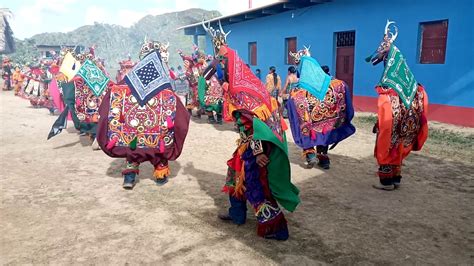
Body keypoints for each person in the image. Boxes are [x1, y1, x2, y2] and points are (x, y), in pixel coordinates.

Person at [202, 20, 300, 240]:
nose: (217, 73)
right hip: (248, 144)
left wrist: (258, 151)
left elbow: (255, 122)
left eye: (219, 68)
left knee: (257, 185)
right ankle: (236, 213)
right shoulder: (245, 86)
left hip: (256, 147)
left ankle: (277, 227)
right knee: (234, 175)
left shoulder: (242, 92)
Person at [96, 40, 190, 189]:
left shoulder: (123, 88)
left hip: (131, 137)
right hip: (156, 139)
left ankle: (130, 176)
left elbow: (110, 99)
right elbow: (181, 116)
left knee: (132, 150)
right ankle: (160, 174)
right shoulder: (165, 92)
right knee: (160, 149)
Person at [366, 20, 428, 190]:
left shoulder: (388, 93)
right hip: (406, 126)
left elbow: (385, 125)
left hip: (393, 120)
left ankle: (386, 180)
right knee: (399, 140)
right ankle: (396, 177)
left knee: (386, 136)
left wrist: (380, 125)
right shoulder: (416, 88)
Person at [286, 47, 355, 169]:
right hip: (327, 122)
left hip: (311, 124)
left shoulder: (298, 93)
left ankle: (311, 156)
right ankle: (324, 159)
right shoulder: (334, 85)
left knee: (305, 128)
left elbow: (294, 115)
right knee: (325, 133)